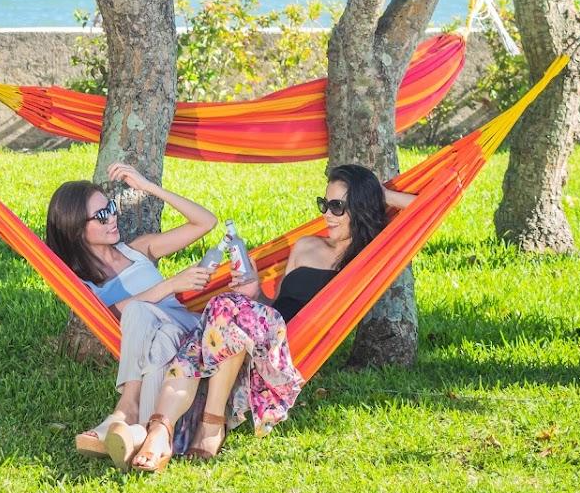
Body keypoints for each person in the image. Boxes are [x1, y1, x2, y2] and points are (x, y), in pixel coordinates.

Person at [124, 163, 415, 472]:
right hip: (259, 328)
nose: (326, 214)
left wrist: (378, 192)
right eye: (324, 204)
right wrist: (255, 293)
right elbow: (274, 305)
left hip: (288, 345)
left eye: (337, 206)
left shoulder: (368, 255)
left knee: (226, 311)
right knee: (229, 306)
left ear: (360, 207)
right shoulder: (306, 245)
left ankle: (172, 427)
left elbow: (423, 211)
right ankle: (187, 425)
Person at [44, 163, 216, 463]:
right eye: (100, 215)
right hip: (165, 341)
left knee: (140, 310)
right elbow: (114, 314)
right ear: (75, 229)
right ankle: (143, 436)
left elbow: (206, 222)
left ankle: (125, 409)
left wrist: (148, 187)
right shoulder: (83, 285)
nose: (112, 217)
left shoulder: (139, 250)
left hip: (190, 331)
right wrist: (171, 284)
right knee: (158, 338)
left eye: (110, 207)